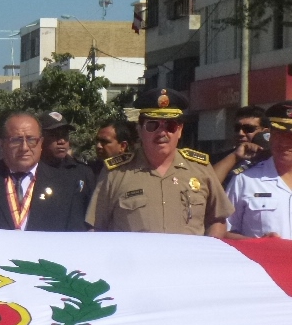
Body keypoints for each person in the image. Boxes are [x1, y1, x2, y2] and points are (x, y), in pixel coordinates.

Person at [87, 88, 233, 236]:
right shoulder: (116, 173)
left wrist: (205, 255)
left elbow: (217, 220)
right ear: (139, 129)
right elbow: (97, 227)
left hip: (187, 258)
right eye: (153, 125)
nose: (162, 133)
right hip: (134, 259)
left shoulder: (201, 169)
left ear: (180, 130)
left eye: (170, 126)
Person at [0, 111, 86, 231]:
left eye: (31, 140)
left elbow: (73, 238)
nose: (24, 148)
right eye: (16, 140)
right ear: (1, 143)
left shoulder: (65, 185)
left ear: (41, 142)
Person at [225, 101, 292, 240]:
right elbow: (222, 232)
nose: (284, 143)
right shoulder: (245, 180)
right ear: (270, 137)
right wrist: (258, 244)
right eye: (279, 135)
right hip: (260, 261)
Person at [39, 112, 95, 202]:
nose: (61, 141)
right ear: (41, 138)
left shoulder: (82, 172)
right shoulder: (32, 172)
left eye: (65, 135)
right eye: (54, 135)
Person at [211, 106, 270, 184]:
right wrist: (235, 156)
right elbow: (208, 185)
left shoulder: (273, 159)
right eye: (237, 128)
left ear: (265, 131)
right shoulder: (219, 159)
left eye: (248, 128)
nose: (240, 133)